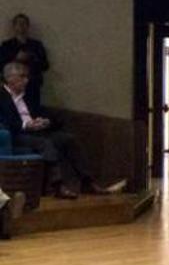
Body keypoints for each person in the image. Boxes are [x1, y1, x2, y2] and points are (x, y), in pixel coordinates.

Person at [1, 62, 125, 199]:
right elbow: (6, 123)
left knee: (68, 139)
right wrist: (26, 125)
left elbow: (41, 113)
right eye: (22, 76)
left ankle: (87, 182)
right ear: (9, 78)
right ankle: (57, 186)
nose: (26, 80)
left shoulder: (28, 96)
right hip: (16, 135)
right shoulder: (2, 96)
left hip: (37, 132)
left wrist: (44, 121)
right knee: (45, 144)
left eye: (27, 77)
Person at [0, 14, 50, 109]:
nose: (21, 26)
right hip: (13, 86)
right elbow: (1, 65)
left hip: (32, 84)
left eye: (24, 23)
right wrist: (16, 59)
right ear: (14, 26)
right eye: (18, 23)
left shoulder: (36, 45)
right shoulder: (6, 45)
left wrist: (32, 59)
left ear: (28, 26)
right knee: (13, 112)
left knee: (33, 111)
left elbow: (45, 65)